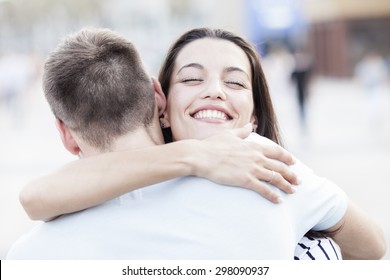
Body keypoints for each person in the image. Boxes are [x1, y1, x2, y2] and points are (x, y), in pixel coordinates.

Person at [8, 27, 386, 260]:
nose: (215, 92)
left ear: (255, 116)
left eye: (236, 83)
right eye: (191, 79)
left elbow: (373, 246)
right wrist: (194, 155)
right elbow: (34, 198)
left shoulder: (275, 174)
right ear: (161, 102)